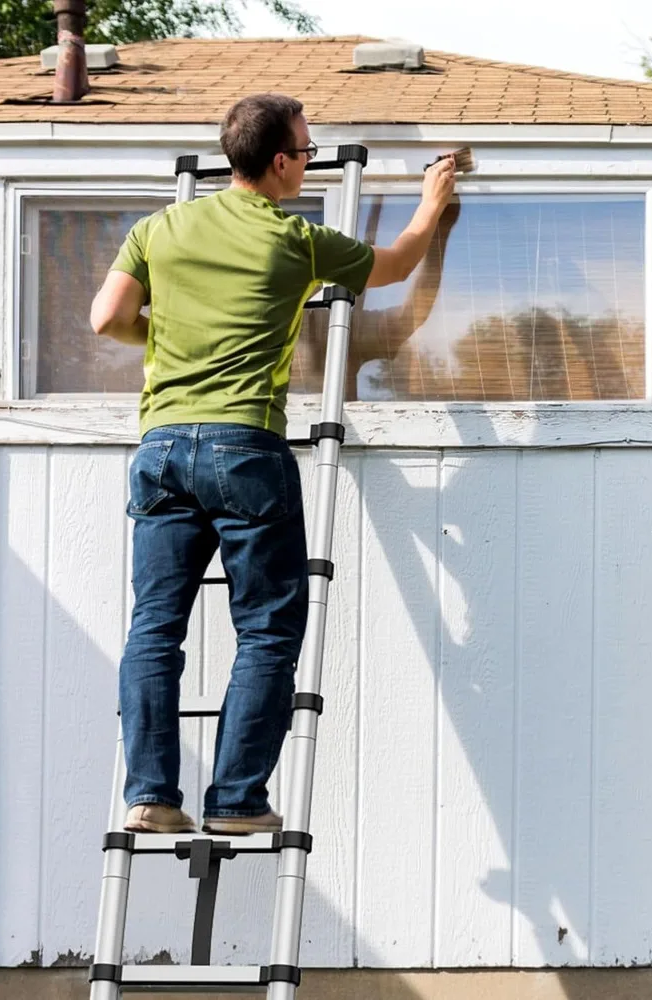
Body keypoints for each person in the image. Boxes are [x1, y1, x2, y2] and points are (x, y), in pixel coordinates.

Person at [90, 93, 457, 835]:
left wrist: (168, 341)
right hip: (243, 448)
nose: (312, 161)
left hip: (160, 448)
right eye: (309, 151)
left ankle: (152, 795)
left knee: (155, 625)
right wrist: (430, 204)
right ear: (281, 162)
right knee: (265, 629)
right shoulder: (296, 239)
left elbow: (107, 319)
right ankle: (235, 802)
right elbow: (394, 266)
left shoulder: (157, 228)